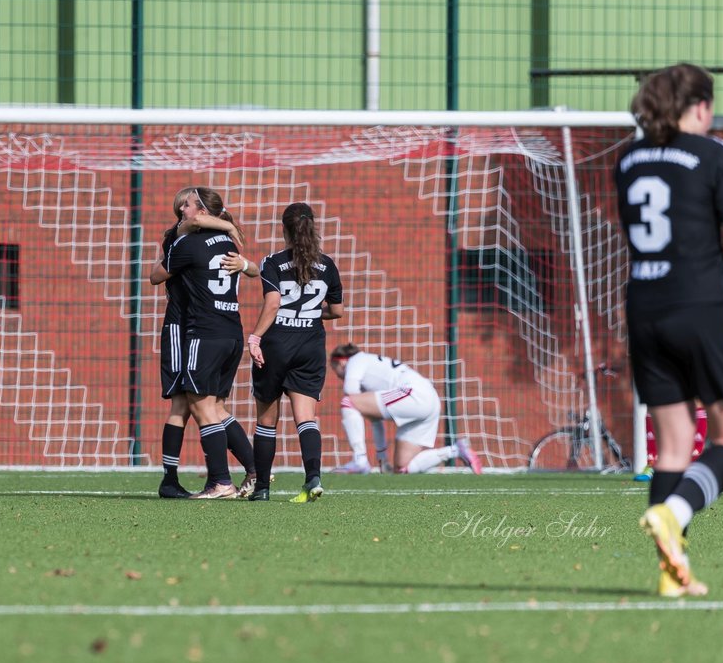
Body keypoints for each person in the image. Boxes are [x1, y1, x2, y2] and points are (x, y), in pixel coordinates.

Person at [616, 63, 723, 597]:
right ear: (701, 107)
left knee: (672, 450)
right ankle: (676, 510)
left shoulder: (627, 159)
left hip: (644, 309)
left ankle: (672, 576)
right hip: (703, 308)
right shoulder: (715, 154)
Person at [149, 186, 255, 499]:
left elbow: (155, 276)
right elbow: (257, 270)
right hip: (229, 330)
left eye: (188, 205)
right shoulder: (227, 243)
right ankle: (254, 470)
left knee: (189, 404)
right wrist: (228, 228)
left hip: (190, 329)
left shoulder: (186, 243)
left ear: (202, 212)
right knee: (209, 405)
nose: (182, 209)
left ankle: (211, 481)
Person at [244, 202, 344, 502]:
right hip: (310, 346)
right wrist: (310, 314)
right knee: (306, 417)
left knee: (266, 421)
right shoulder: (328, 265)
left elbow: (273, 303)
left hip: (277, 345)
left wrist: (255, 337)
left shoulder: (272, 262)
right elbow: (337, 311)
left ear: (284, 229)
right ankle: (313, 478)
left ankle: (261, 488)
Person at [329, 344, 482, 475]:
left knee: (348, 401)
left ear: (341, 362)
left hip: (414, 393)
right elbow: (375, 419)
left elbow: (350, 392)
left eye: (335, 369)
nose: (338, 376)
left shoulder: (356, 360)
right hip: (430, 399)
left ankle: (359, 459)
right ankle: (456, 450)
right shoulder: (369, 364)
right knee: (402, 468)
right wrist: (382, 459)